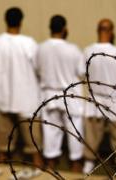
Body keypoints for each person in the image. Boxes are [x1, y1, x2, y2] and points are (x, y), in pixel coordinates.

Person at [82, 19, 116, 179]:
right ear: (111, 32)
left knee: (93, 134)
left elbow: (81, 72)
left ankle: (89, 162)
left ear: (98, 30)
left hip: (96, 99)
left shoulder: (88, 51)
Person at [0, 7, 43, 167]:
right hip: (26, 96)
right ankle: (37, 164)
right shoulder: (29, 43)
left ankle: (2, 167)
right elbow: (38, 68)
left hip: (2, 94)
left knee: (3, 139)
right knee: (32, 138)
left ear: (5, 20)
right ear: (21, 21)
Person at [36, 15, 84, 172]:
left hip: (49, 94)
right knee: (74, 128)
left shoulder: (41, 48)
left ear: (50, 28)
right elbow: (81, 71)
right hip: (70, 95)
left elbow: (37, 69)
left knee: (50, 129)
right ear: (65, 29)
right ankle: (76, 163)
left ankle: (51, 162)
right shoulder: (73, 50)